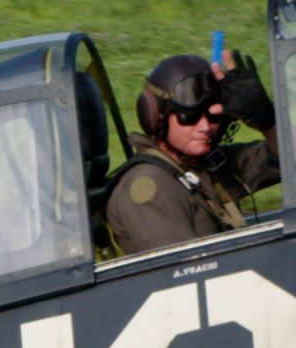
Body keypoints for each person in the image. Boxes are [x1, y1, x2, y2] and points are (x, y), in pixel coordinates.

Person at [106, 50, 280, 257]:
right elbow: (185, 272)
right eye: (189, 116)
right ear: (157, 116)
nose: (205, 126)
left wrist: (266, 119)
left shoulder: (208, 165)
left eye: (212, 116)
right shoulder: (150, 187)